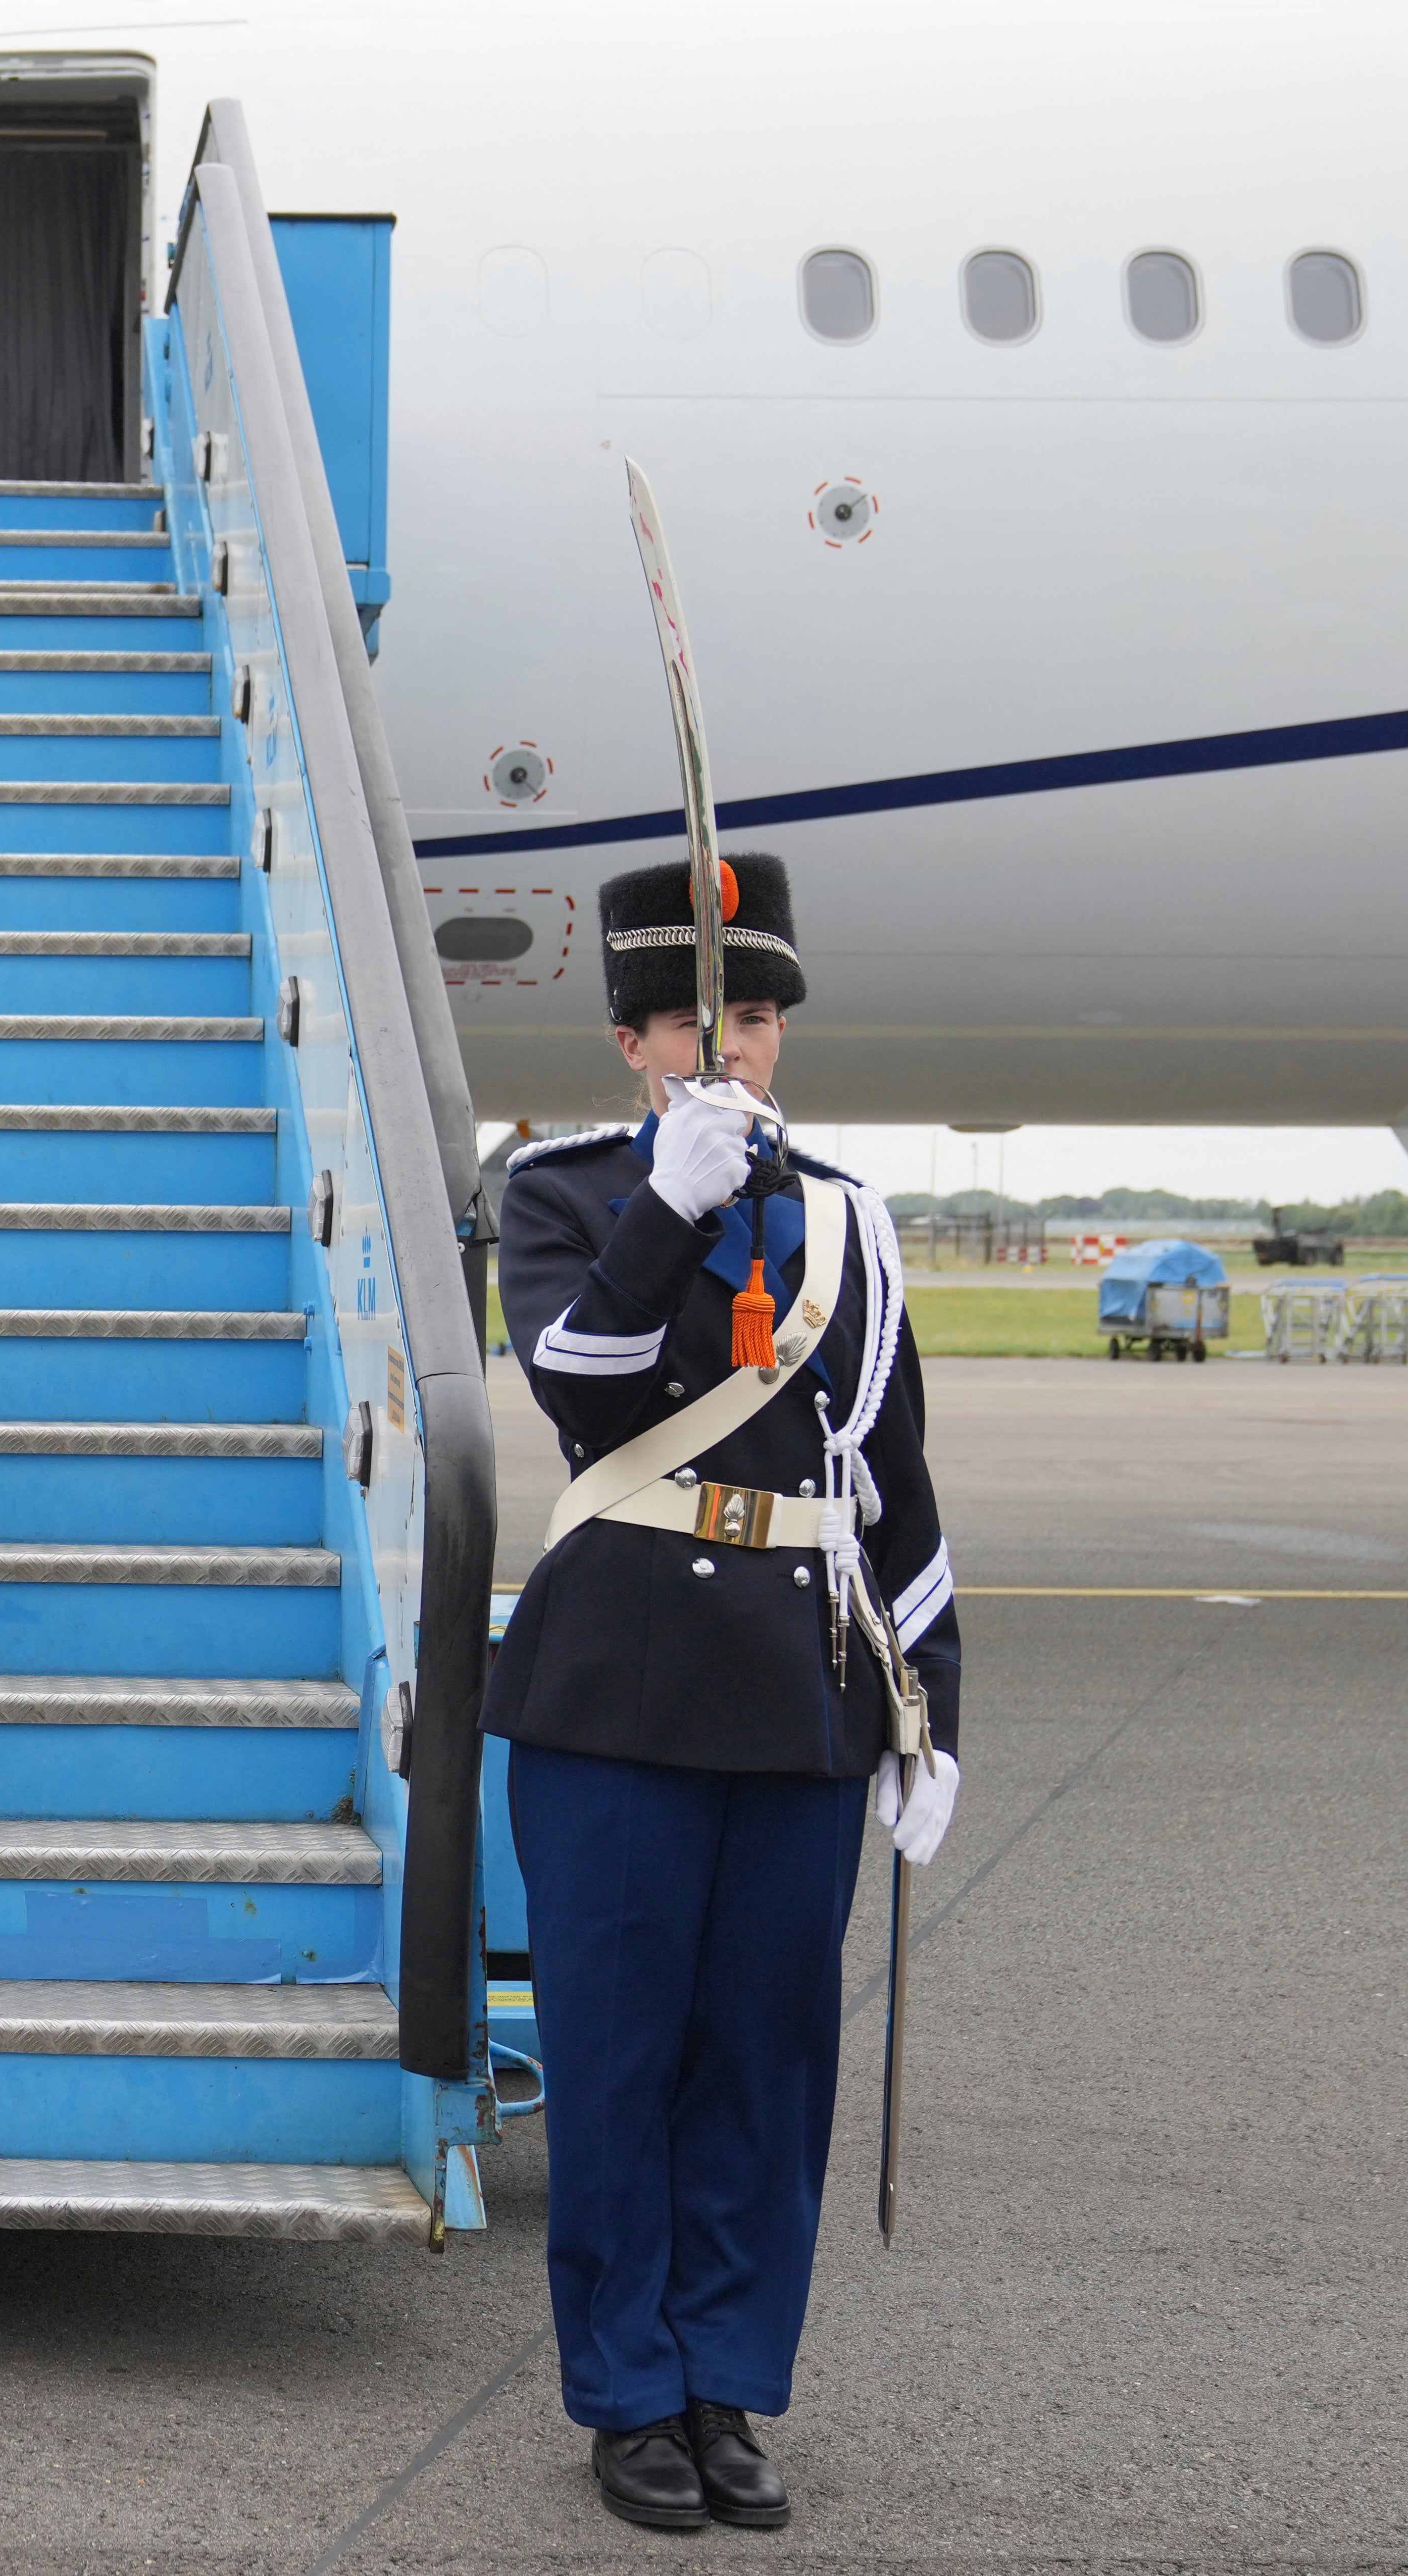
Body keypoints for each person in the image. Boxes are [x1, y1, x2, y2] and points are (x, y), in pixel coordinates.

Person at [483, 850, 965, 2536]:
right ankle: (625, 2395)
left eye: (753, 1016)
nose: (731, 1046)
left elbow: (889, 1478)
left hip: (800, 1687)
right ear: (635, 1041)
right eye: (698, 1017)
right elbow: (581, 1398)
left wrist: (936, 1713)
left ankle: (727, 2384)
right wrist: (668, 1209)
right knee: (618, 2058)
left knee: (766, 2061)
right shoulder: (562, 1192)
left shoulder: (849, 1216)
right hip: (615, 1683)